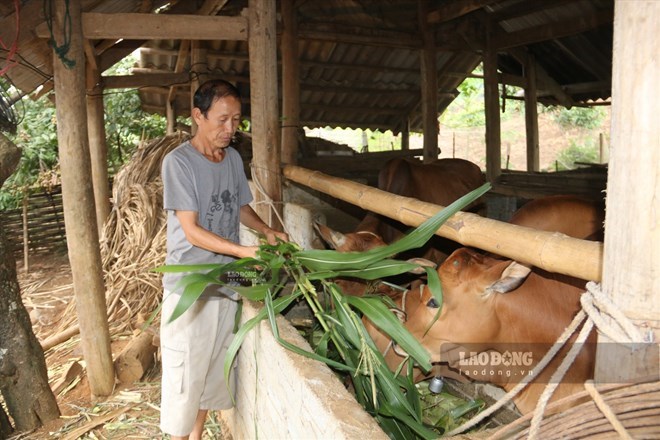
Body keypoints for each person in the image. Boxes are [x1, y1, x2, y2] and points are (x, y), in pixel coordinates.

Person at [159, 79, 288, 440]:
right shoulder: (179, 163)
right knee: (185, 380)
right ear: (198, 116)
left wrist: (265, 231)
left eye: (236, 119)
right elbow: (192, 230)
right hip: (191, 288)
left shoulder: (231, 157)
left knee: (211, 374)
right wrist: (244, 251)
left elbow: (240, 205)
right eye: (222, 120)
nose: (230, 129)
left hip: (228, 283)